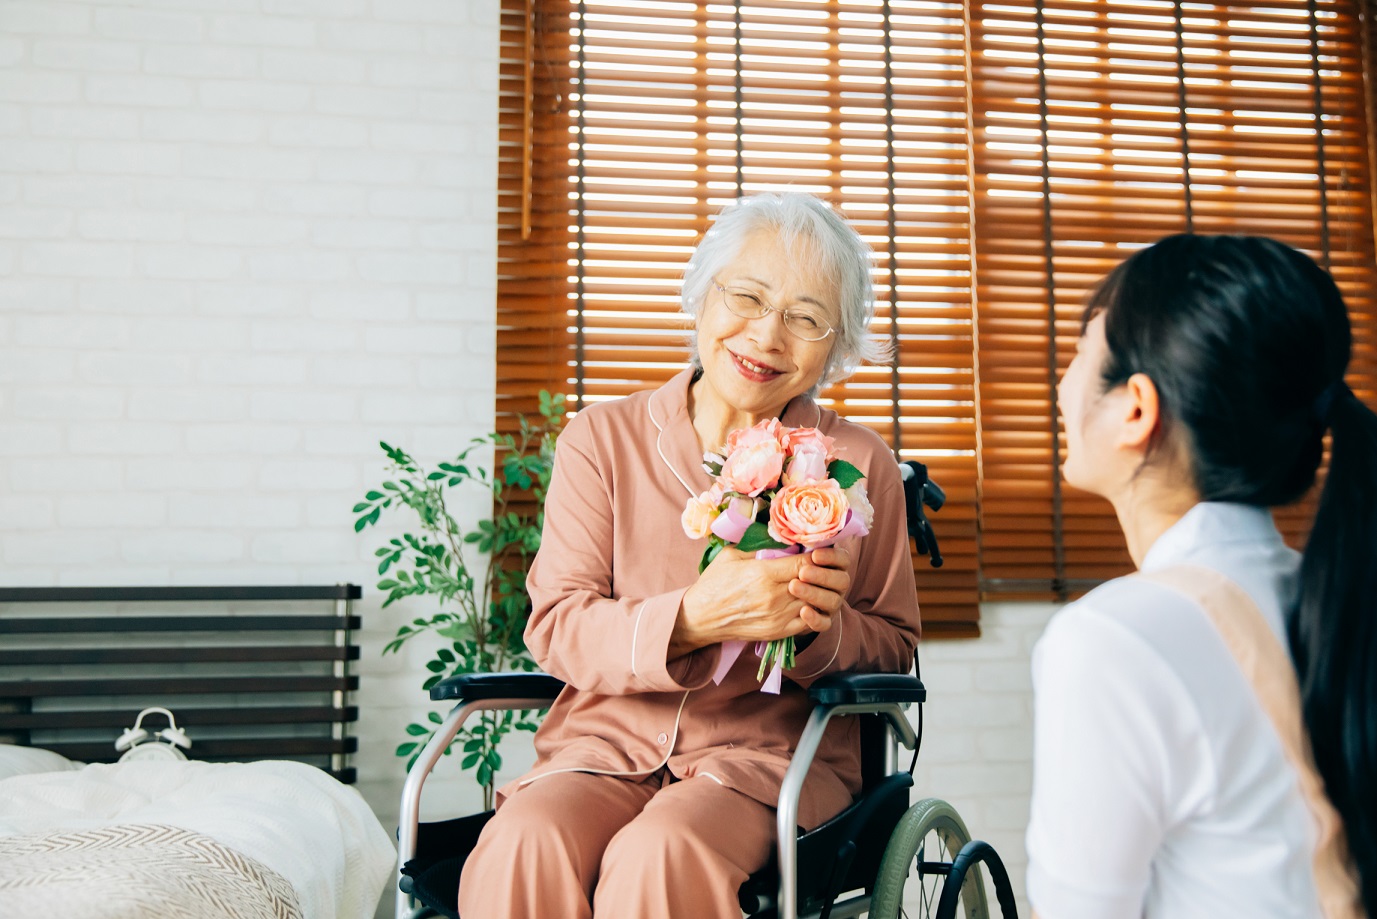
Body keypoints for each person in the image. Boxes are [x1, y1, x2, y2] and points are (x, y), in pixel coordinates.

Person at [456, 192, 922, 919]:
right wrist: (690, 619)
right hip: (604, 749)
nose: (766, 335)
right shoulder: (600, 440)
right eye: (746, 296)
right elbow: (558, 624)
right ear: (700, 294)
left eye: (804, 318)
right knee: (524, 835)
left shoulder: (859, 462)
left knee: (662, 849)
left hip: (765, 766)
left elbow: (892, 646)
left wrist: (817, 626)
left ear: (834, 346)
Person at [1026, 234, 1376, 919]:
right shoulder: (1333, 595)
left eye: (1078, 353)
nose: (1062, 382)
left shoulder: (1112, 638)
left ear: (1135, 409)